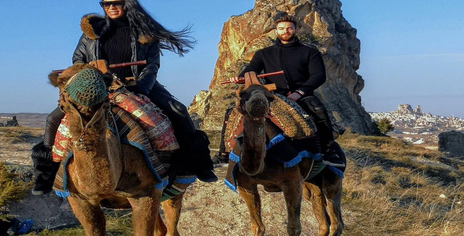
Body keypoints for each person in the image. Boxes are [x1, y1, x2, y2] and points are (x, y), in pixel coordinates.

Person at [32, 0, 217, 195]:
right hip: (97, 86)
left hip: (136, 84)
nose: (111, 7)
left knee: (178, 110)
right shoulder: (90, 33)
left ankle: (196, 164)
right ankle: (46, 174)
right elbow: (78, 60)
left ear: (128, 4)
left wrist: (141, 87)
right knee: (52, 119)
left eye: (116, 3)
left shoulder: (146, 32)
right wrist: (90, 75)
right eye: (106, 3)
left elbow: (152, 65)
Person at [212, 13, 344, 168]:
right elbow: (250, 71)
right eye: (281, 28)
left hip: (301, 94)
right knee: (232, 111)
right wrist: (240, 78)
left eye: (289, 28)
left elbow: (318, 76)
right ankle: (224, 154)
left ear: (296, 29)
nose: (285, 31)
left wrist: (300, 92)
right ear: (276, 31)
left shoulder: (310, 52)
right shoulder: (263, 53)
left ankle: (328, 152)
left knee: (318, 109)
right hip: (273, 96)